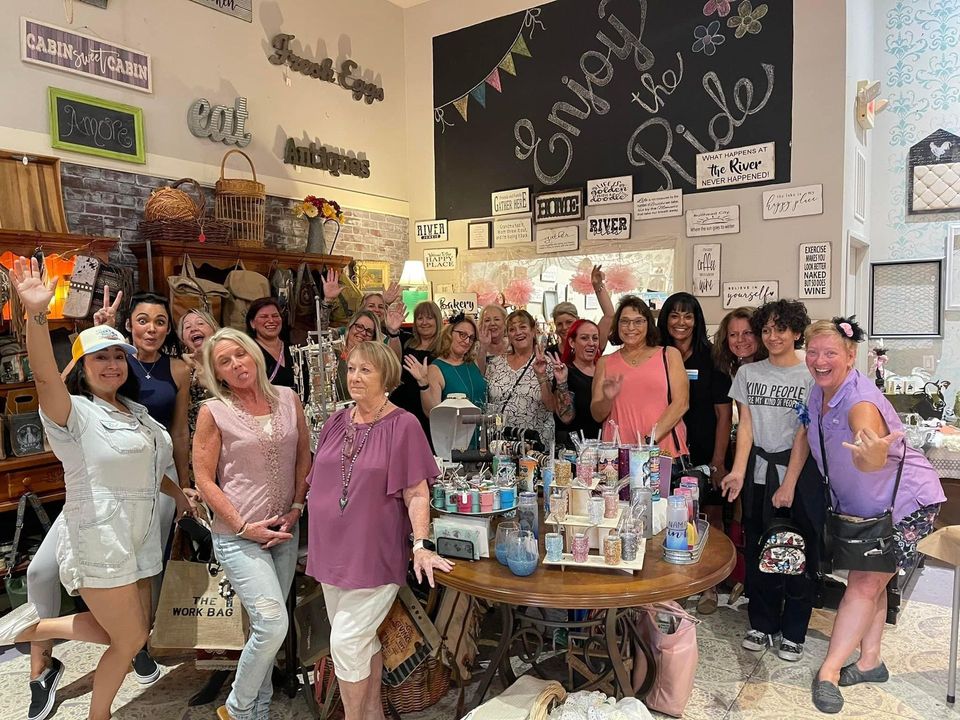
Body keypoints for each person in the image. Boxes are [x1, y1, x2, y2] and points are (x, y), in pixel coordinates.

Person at [0, 257, 193, 720]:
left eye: (116, 357)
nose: (110, 365)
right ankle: (96, 711)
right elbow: (46, 377)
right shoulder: (76, 416)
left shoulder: (140, 415)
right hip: (100, 538)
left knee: (129, 633)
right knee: (126, 638)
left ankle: (36, 626)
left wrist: (183, 496)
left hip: (140, 535)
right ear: (83, 367)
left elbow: (150, 471)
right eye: (99, 358)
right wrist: (35, 314)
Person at [306, 341, 452, 720]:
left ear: (385, 376)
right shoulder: (336, 421)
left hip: (372, 552)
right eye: (351, 368)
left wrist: (421, 544)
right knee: (360, 640)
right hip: (331, 551)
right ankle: (372, 714)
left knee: (346, 640)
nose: (354, 376)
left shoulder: (402, 424)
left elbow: (418, 492)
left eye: (365, 370)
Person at [805, 318, 945, 714]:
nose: (819, 360)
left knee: (865, 583)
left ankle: (829, 673)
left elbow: (867, 437)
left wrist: (872, 453)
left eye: (831, 353)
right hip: (871, 508)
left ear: (851, 356)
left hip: (905, 504)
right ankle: (870, 661)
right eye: (813, 352)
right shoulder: (820, 393)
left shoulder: (859, 400)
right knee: (874, 582)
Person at [193, 328, 311, 720]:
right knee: (273, 624)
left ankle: (256, 714)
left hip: (284, 531)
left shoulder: (288, 399)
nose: (236, 365)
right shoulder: (214, 411)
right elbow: (204, 480)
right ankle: (238, 709)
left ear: (254, 355)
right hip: (238, 536)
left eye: (239, 355)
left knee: (264, 630)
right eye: (223, 362)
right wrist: (243, 526)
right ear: (217, 374)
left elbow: (303, 457)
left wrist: (297, 504)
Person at [721, 299, 824, 664]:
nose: (772, 336)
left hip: (797, 474)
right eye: (766, 329)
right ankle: (762, 623)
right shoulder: (749, 374)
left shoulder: (810, 375)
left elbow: (804, 434)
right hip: (757, 475)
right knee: (760, 548)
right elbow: (745, 427)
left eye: (781, 329)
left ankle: (794, 630)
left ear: (797, 332)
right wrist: (737, 470)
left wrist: (790, 482)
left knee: (796, 550)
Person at [658, 292, 732, 615]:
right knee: (673, 517)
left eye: (687, 316)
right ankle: (678, 581)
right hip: (669, 451)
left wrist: (718, 460)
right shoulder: (657, 355)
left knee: (710, 518)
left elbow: (724, 414)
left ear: (697, 320)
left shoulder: (711, 357)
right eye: (674, 315)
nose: (681, 322)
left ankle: (710, 585)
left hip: (704, 450)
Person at [591, 295, 689, 455]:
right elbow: (596, 414)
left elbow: (681, 403)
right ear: (617, 325)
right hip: (617, 455)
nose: (631, 327)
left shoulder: (669, 355)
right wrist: (608, 398)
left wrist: (648, 442)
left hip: (662, 451)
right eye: (625, 321)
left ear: (648, 324)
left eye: (638, 321)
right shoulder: (605, 362)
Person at [485, 309, 557, 441]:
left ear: (533, 330)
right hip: (501, 443)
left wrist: (541, 376)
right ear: (508, 335)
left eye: (523, 327)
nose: (518, 332)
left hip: (536, 443)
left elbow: (552, 407)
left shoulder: (548, 364)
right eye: (512, 329)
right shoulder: (495, 364)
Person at [404, 313, 487, 425]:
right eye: (462, 335)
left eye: (471, 338)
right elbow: (432, 412)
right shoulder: (436, 368)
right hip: (456, 435)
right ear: (449, 333)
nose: (467, 341)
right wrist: (423, 383)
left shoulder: (472, 362)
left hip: (482, 433)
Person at [389, 300, 442, 441]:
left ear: (438, 320)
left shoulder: (444, 348)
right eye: (420, 318)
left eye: (429, 318)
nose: (424, 322)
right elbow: (394, 362)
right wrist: (394, 333)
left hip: (427, 409)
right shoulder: (405, 340)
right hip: (401, 407)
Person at [546, 265, 615, 356]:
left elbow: (609, 315)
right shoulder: (549, 353)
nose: (564, 327)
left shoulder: (590, 347)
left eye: (569, 322)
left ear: (577, 321)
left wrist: (597, 286)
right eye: (559, 324)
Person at [554, 318, 602, 446]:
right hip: (574, 449)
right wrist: (562, 382)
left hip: (604, 447)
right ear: (572, 342)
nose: (591, 343)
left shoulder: (605, 370)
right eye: (585, 338)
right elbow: (566, 418)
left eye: (595, 338)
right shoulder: (564, 372)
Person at [176, 308, 220, 435]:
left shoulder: (229, 363)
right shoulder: (180, 368)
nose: (194, 328)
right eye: (187, 327)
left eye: (200, 323)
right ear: (182, 338)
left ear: (215, 330)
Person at [247, 297, 296, 388]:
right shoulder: (248, 352)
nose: (271, 320)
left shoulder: (294, 349)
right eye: (264, 317)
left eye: (275, 316)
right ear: (252, 323)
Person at [336, 310, 384, 401]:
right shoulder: (332, 354)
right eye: (359, 327)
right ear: (350, 327)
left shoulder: (374, 362)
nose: (363, 333)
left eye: (369, 331)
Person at [713, 306, 765, 376]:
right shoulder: (729, 369)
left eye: (748, 333)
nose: (740, 339)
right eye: (733, 334)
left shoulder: (774, 368)